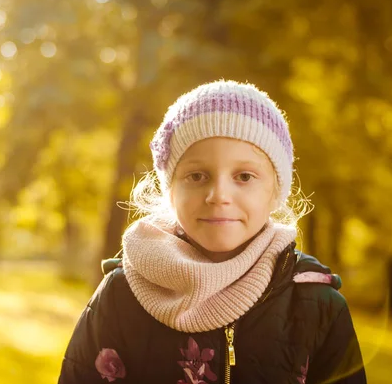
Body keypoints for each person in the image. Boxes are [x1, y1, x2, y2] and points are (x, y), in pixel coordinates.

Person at [58, 80, 367, 384]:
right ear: (171, 191)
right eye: (197, 175)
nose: (219, 195)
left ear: (276, 192)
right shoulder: (120, 296)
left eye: (244, 176)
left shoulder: (317, 306)